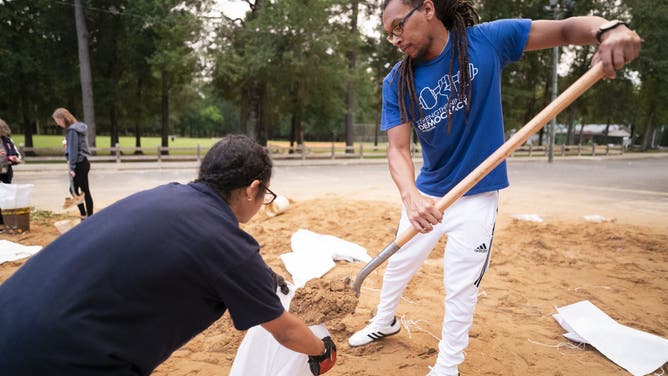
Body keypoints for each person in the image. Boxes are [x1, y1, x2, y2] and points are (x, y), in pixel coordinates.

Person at [347, 1, 641, 375]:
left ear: (427, 9)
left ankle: (447, 365)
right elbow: (398, 149)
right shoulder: (397, 80)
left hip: (478, 195)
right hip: (427, 194)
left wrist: (607, 29)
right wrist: (411, 196)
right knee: (398, 264)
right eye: (389, 33)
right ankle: (383, 322)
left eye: (398, 27)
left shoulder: (487, 41)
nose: (395, 39)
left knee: (460, 285)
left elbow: (567, 29)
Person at [0, 134, 337, 376]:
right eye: (265, 194)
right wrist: (322, 352)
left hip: (12, 317)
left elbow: (207, 252)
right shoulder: (226, 243)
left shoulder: (168, 196)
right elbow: (286, 331)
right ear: (253, 188)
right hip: (67, 359)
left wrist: (264, 277)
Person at [53, 107, 94, 219]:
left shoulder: (72, 130)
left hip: (79, 164)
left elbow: (73, 151)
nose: (57, 124)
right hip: (83, 162)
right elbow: (74, 146)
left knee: (84, 191)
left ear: (62, 119)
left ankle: (89, 217)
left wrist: (72, 168)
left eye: (57, 121)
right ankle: (85, 215)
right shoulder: (78, 128)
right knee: (75, 190)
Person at [0, 118, 22, 232]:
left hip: (6, 172)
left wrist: (14, 158)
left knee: (6, 196)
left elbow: (17, 155)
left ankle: (5, 221)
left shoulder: (8, 141)